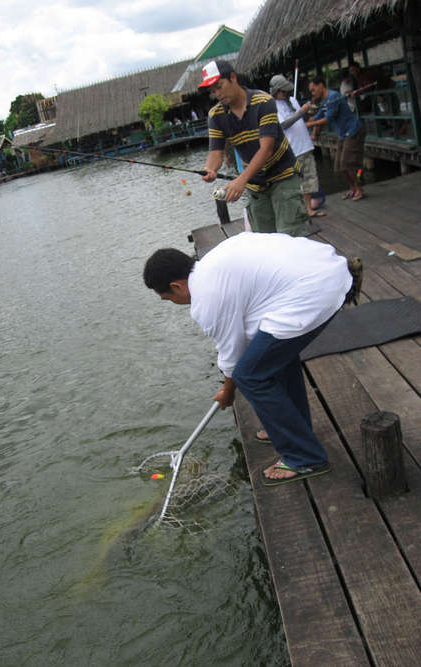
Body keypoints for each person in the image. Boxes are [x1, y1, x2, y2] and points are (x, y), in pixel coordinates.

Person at [143, 233, 352, 485]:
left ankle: (304, 457)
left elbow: (232, 356)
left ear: (177, 286)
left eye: (168, 298)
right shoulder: (213, 262)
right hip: (327, 269)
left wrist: (227, 391)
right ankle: (292, 429)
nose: (173, 303)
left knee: (250, 375)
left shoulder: (207, 298)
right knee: (274, 360)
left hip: (313, 291)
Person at [199, 60, 308, 237]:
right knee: (264, 241)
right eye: (212, 91)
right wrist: (209, 169)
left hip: (283, 176)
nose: (217, 94)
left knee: (291, 240)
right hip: (256, 186)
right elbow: (215, 153)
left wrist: (241, 180)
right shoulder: (215, 116)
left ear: (233, 78)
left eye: (219, 87)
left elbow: (267, 149)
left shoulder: (263, 102)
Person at [269, 74, 325, 219]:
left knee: (309, 180)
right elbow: (282, 125)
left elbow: (302, 117)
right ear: (277, 91)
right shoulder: (272, 106)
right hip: (293, 149)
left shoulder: (292, 100)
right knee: (297, 183)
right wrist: (301, 113)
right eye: (283, 91)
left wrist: (309, 111)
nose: (286, 93)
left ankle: (308, 209)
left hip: (305, 145)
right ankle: (301, 211)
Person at [306, 77, 365, 201]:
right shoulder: (323, 102)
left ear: (321, 85)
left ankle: (359, 188)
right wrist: (303, 117)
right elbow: (316, 117)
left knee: (348, 164)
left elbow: (327, 119)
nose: (313, 93)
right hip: (343, 135)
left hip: (353, 131)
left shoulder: (333, 96)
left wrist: (309, 125)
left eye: (313, 90)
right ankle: (352, 188)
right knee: (338, 167)